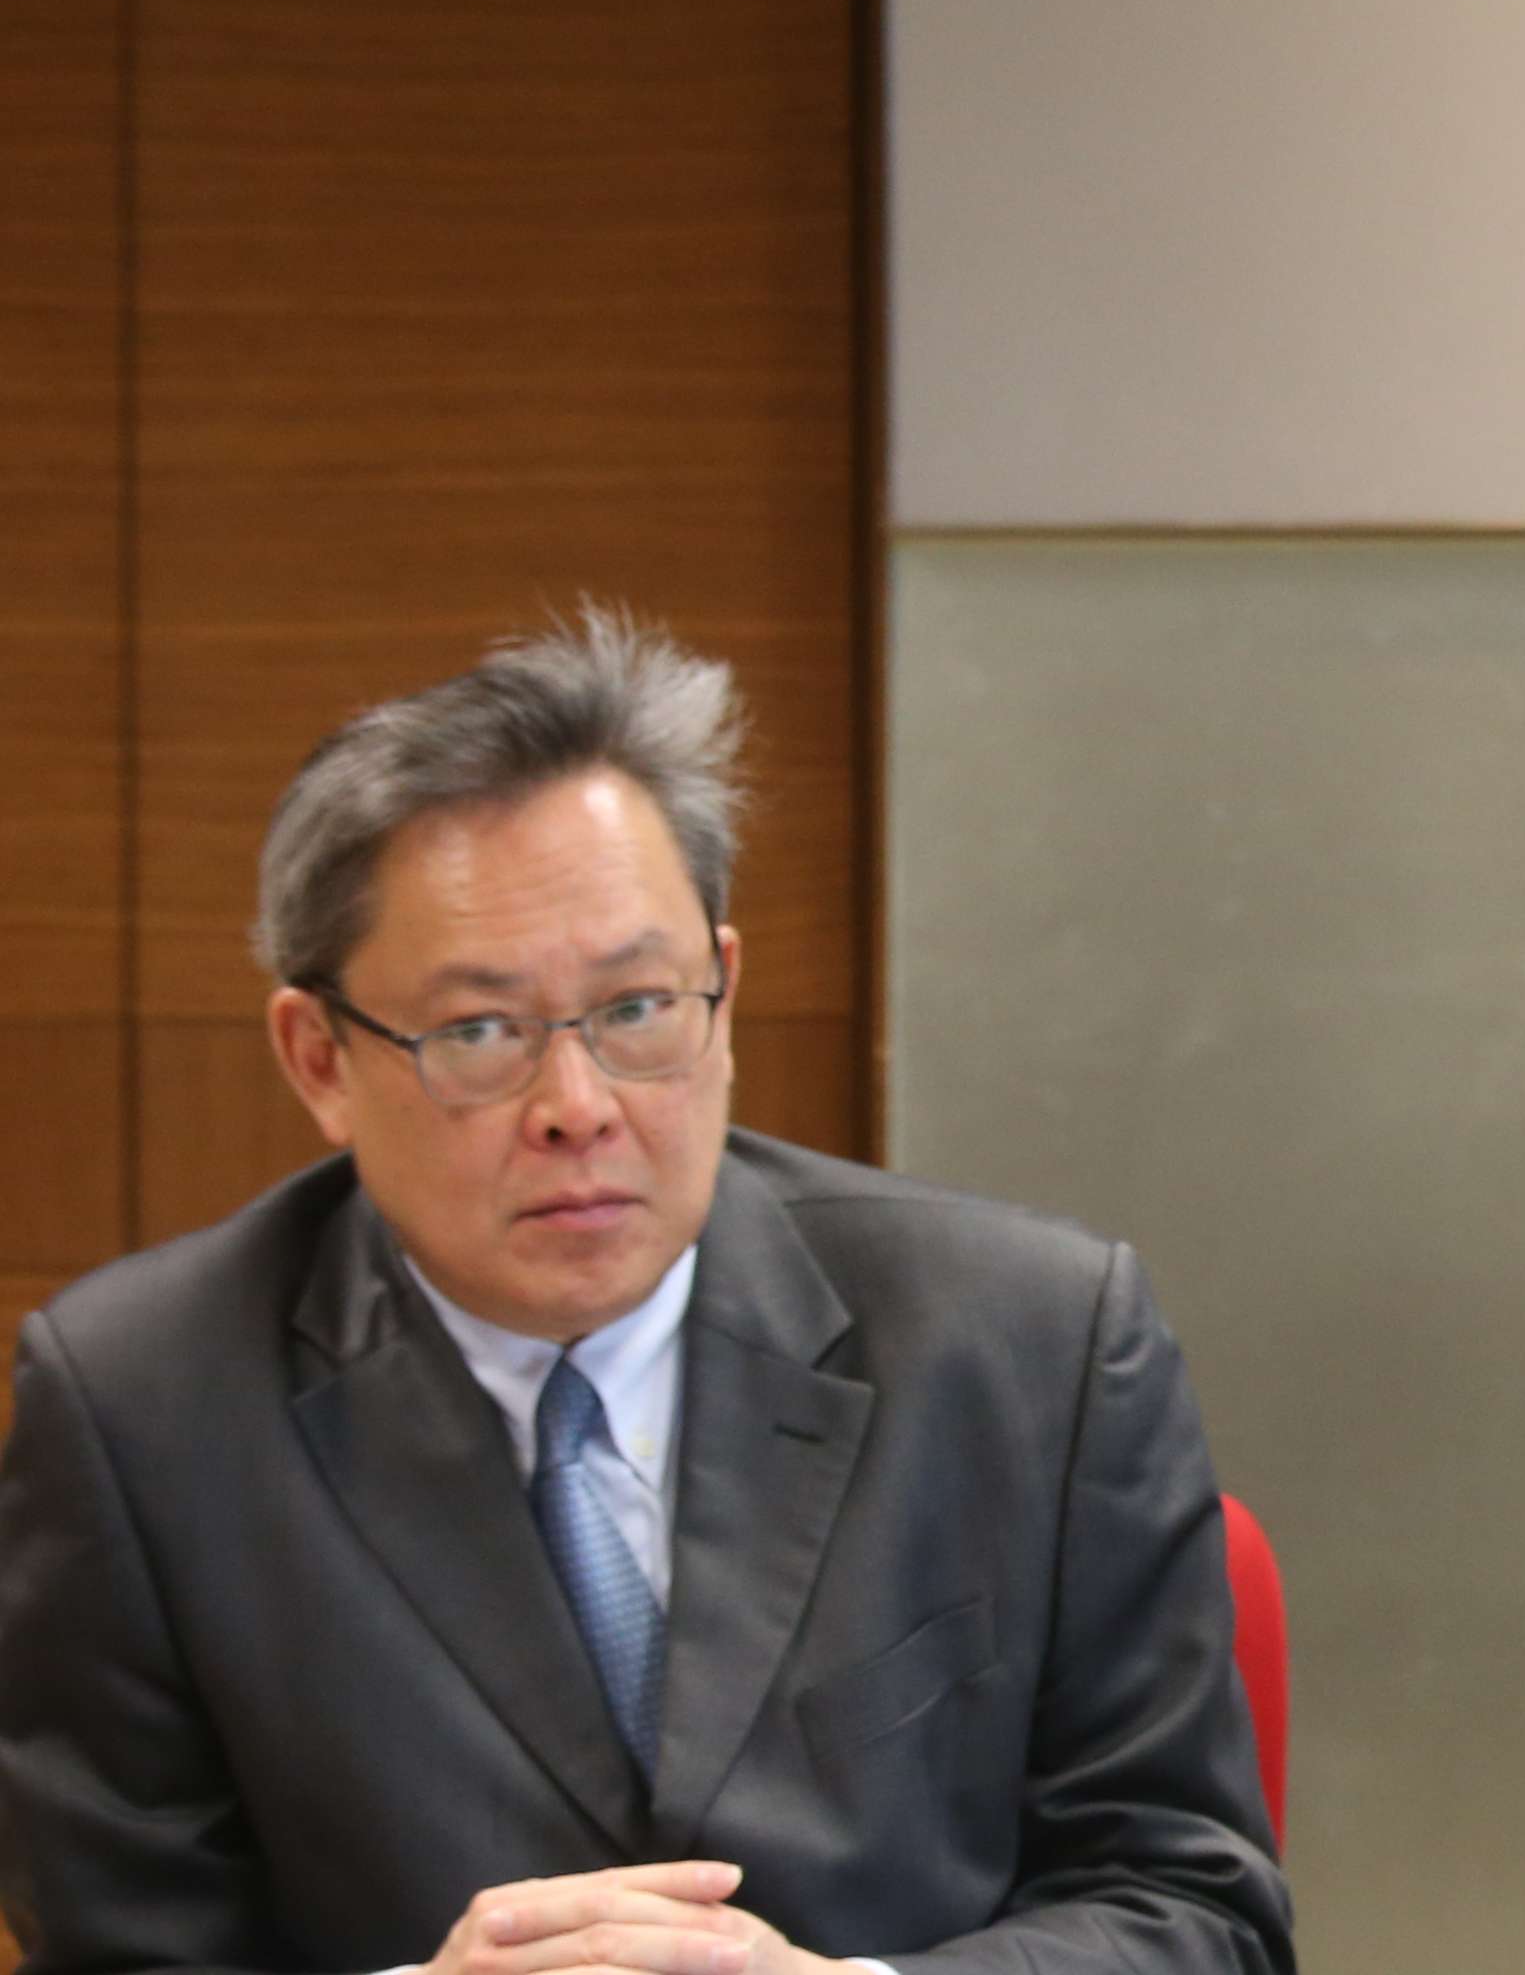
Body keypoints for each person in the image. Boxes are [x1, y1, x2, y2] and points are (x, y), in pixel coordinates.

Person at [0, 612, 1292, 1975]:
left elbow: (1198, 1914)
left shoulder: (1030, 1340)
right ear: (318, 1054)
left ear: (723, 992)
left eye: (635, 1009)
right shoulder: (143, 1407)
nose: (577, 1107)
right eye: (480, 1031)